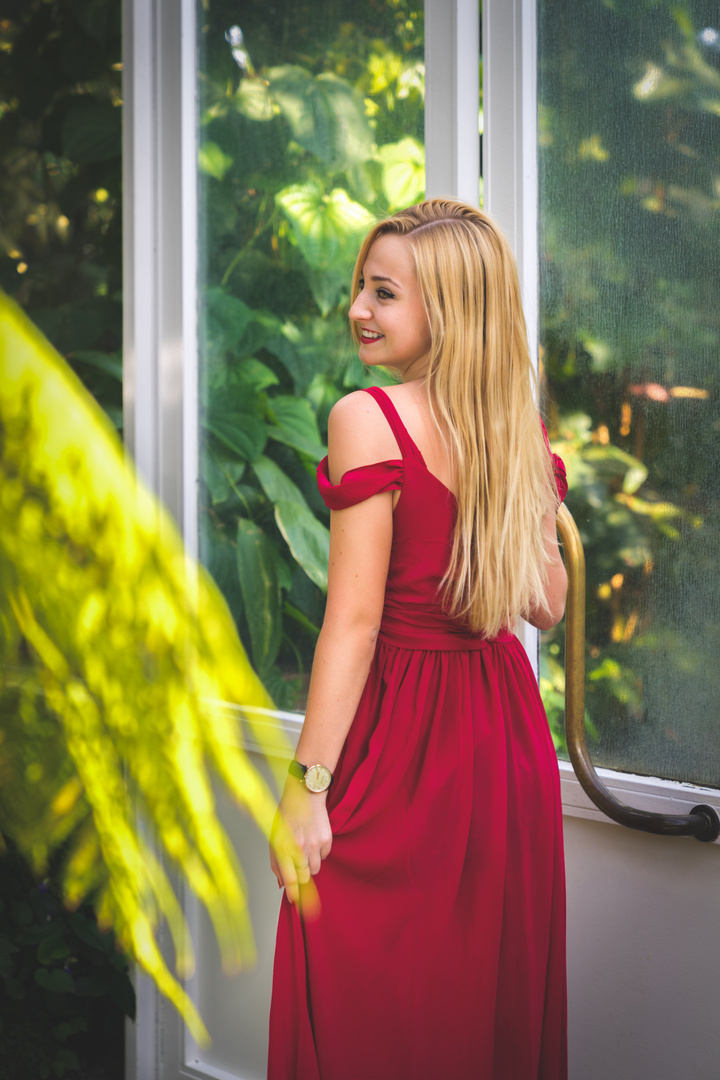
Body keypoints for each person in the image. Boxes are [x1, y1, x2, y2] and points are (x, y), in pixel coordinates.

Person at [268, 198, 568, 1080]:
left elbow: (353, 625)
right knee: (476, 994)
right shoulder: (516, 429)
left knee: (368, 992)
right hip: (503, 738)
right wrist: (523, 480)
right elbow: (545, 608)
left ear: (451, 307)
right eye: (363, 285)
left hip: (405, 732)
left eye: (384, 292)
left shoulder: (367, 416)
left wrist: (305, 786)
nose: (358, 308)